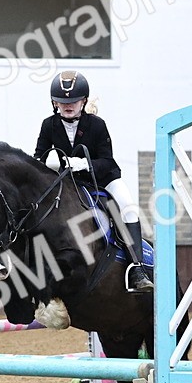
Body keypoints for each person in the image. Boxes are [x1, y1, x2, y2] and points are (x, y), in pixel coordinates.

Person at [34, 70, 152, 293]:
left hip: (103, 179)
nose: (67, 105)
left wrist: (84, 164)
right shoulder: (48, 125)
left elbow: (107, 161)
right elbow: (39, 156)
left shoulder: (97, 124)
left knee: (127, 208)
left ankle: (137, 270)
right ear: (54, 103)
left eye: (73, 101)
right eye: (62, 101)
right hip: (70, 182)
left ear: (84, 101)